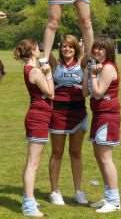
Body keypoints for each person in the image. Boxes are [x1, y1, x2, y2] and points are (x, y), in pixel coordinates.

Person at [14, 39, 54, 217]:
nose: (40, 50)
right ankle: (29, 206)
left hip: (37, 116)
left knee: (32, 162)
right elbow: (50, 92)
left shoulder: (29, 69)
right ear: (32, 51)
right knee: (33, 163)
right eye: (38, 48)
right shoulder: (36, 71)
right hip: (38, 117)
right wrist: (49, 73)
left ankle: (28, 199)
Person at [48, 34, 88, 205]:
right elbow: (46, 46)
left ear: (76, 48)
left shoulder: (83, 64)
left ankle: (78, 191)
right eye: (64, 46)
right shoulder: (54, 64)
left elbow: (89, 38)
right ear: (60, 48)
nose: (67, 49)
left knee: (76, 152)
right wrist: (51, 25)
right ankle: (55, 191)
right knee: (57, 153)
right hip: (58, 113)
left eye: (70, 46)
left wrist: (85, 25)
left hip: (78, 114)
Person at [83, 36, 121, 213]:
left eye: (101, 48)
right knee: (100, 158)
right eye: (95, 48)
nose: (96, 51)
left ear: (108, 50)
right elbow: (85, 92)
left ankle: (114, 201)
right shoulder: (99, 67)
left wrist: (92, 74)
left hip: (107, 116)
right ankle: (108, 197)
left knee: (106, 159)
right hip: (99, 116)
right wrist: (88, 71)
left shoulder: (107, 68)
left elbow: (97, 93)